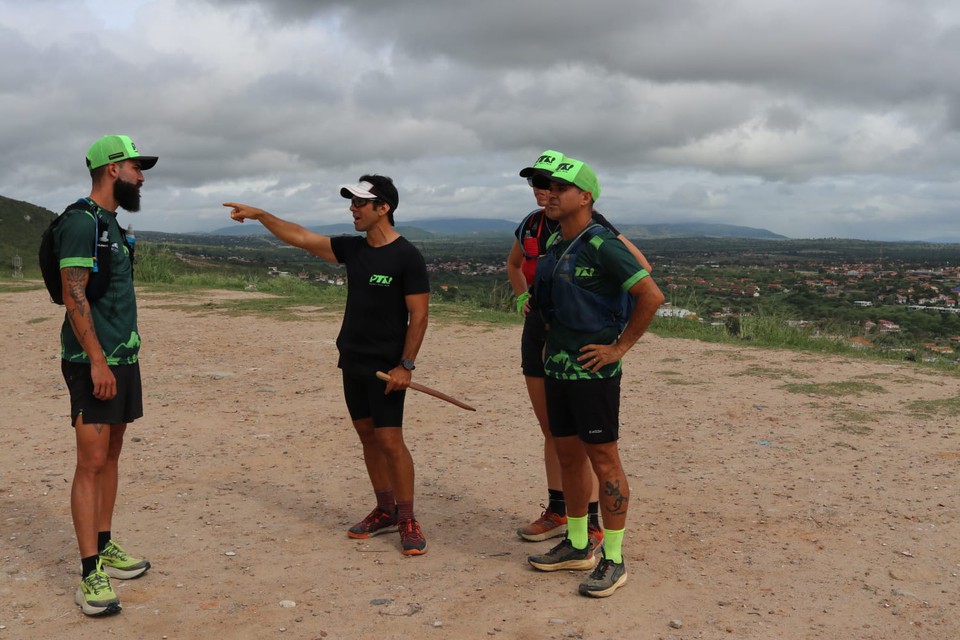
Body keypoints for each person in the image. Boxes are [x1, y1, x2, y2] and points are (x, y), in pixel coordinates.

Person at [223, 174, 431, 556]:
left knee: (390, 439)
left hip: (387, 367)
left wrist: (406, 365)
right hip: (352, 359)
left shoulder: (406, 256)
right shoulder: (353, 249)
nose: (352, 209)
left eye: (360, 203)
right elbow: (301, 237)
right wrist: (262, 215)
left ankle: (407, 517)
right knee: (367, 435)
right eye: (351, 202)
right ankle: (384, 509)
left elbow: (418, 315)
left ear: (383, 208)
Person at [526, 156, 665, 598]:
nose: (547, 193)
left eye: (558, 187)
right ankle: (579, 544)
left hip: (593, 372)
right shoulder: (552, 248)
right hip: (558, 368)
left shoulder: (602, 244)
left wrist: (619, 348)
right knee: (568, 457)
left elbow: (651, 295)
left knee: (604, 460)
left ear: (585, 197)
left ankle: (614, 558)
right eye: (542, 186)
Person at [58, 135, 157, 617]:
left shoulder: (111, 224)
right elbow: (73, 292)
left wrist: (116, 358)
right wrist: (96, 359)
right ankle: (88, 573)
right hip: (92, 361)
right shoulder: (80, 222)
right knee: (91, 461)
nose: (143, 176)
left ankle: (105, 544)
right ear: (113, 169)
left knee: (112, 453)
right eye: (137, 167)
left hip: (123, 357)